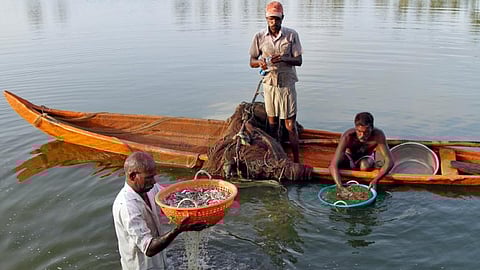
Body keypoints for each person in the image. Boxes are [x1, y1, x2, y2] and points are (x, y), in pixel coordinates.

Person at [112, 152, 208, 270]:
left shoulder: (148, 188)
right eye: (149, 178)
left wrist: (196, 195)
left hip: (159, 261)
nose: (153, 182)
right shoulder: (127, 207)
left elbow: (170, 196)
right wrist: (178, 230)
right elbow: (149, 248)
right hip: (141, 266)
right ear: (132, 176)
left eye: (154, 176)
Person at [249, 1, 303, 163]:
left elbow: (299, 60)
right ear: (266, 19)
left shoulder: (291, 35)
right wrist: (260, 63)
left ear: (282, 18)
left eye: (277, 19)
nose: (274, 23)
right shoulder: (259, 37)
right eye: (271, 19)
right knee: (272, 123)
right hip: (269, 84)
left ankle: (296, 160)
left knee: (289, 125)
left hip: (287, 84)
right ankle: (275, 157)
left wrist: (285, 58)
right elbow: (252, 60)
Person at [329, 112, 394, 193]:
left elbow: (390, 161)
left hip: (366, 158)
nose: (362, 135)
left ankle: (373, 165)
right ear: (355, 128)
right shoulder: (348, 136)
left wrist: (376, 180)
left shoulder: (378, 135)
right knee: (339, 163)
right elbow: (332, 165)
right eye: (359, 131)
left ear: (372, 128)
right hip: (349, 157)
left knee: (364, 166)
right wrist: (340, 187)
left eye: (366, 132)